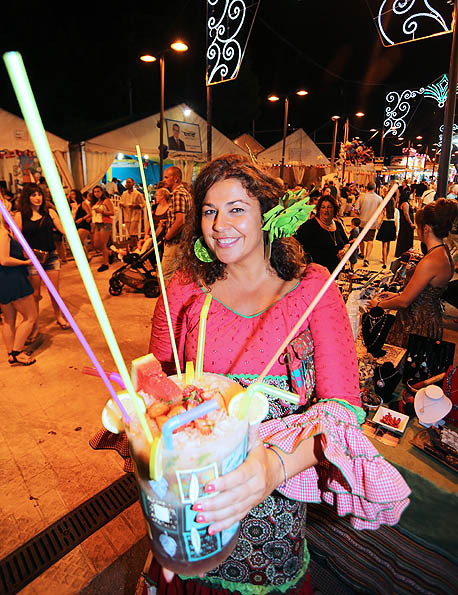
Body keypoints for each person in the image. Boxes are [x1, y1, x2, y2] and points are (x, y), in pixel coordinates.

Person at [143, 154, 409, 594]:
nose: (219, 224)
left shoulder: (312, 289)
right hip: (193, 499)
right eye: (209, 210)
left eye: (236, 209)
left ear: (270, 217)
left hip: (276, 502)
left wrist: (273, 467)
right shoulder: (184, 290)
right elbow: (157, 391)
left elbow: (342, 409)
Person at [369, 198, 458, 348]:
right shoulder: (443, 252)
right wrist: (396, 295)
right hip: (430, 318)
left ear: (427, 228)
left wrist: (378, 304)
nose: (417, 230)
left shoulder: (430, 261)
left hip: (417, 324)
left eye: (418, 227)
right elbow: (423, 291)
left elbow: (405, 301)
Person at [14, 183, 69, 338]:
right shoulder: (20, 216)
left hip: (51, 255)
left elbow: (62, 228)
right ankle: (34, 324)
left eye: (39, 194)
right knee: (35, 294)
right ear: (27, 197)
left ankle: (59, 317)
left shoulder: (49, 212)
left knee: (54, 291)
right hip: (32, 259)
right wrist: (25, 253)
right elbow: (16, 238)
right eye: (33, 195)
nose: (38, 198)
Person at [0, 199, 37, 365]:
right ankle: (17, 353)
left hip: (4, 280)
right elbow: (4, 260)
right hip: (12, 278)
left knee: (8, 320)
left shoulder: (5, 231)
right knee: (30, 317)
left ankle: (11, 352)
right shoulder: (2, 233)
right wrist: (26, 262)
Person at [295, 195, 349, 273]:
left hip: (337, 272)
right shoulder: (310, 225)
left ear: (334, 209)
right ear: (319, 209)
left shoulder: (338, 225)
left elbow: (347, 243)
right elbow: (295, 242)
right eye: (323, 207)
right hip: (316, 273)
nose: (326, 210)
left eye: (329, 207)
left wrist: (344, 250)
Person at [161, 166, 192, 283]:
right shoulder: (185, 193)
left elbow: (180, 221)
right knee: (178, 276)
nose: (164, 180)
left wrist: (167, 236)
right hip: (183, 240)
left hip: (175, 242)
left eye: (166, 177)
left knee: (164, 276)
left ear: (176, 179)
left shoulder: (177, 194)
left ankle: (166, 301)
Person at [354, 182, 382, 267]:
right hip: (372, 222)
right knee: (370, 240)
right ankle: (367, 258)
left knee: (361, 239)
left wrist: (359, 213)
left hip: (362, 221)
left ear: (366, 188)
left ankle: (362, 254)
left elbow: (356, 210)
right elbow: (381, 212)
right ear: (375, 188)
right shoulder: (379, 198)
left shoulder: (362, 197)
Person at [91, 185, 114, 272]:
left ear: (102, 192)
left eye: (98, 191)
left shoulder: (106, 201)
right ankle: (109, 253)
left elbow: (112, 212)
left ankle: (105, 263)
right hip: (97, 223)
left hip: (106, 223)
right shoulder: (96, 202)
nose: (96, 193)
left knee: (103, 244)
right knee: (96, 244)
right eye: (95, 192)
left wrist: (102, 211)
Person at [120, 178, 145, 248]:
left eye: (129, 182)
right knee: (130, 233)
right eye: (127, 183)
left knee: (133, 233)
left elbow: (143, 204)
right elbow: (121, 202)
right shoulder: (124, 194)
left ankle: (133, 246)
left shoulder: (138, 194)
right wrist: (121, 205)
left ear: (133, 183)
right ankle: (136, 246)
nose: (127, 184)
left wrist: (136, 206)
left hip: (135, 215)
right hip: (127, 215)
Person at [395, 183, 415, 257]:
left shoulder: (405, 203)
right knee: (405, 237)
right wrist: (410, 223)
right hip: (406, 224)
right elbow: (406, 214)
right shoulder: (405, 204)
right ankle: (404, 251)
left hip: (405, 223)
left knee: (404, 237)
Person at [376, 197, 397, 269]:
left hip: (385, 225)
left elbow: (380, 219)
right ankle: (386, 258)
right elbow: (397, 222)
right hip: (392, 226)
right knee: (388, 244)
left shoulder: (384, 210)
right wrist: (397, 232)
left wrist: (378, 226)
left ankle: (384, 260)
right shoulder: (396, 211)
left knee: (384, 245)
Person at [73, 189, 92, 260]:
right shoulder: (75, 204)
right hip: (78, 224)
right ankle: (86, 256)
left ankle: (86, 256)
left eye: (73, 194)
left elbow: (90, 213)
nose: (72, 196)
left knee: (77, 240)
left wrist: (82, 218)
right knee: (79, 242)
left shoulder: (83, 203)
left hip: (84, 224)